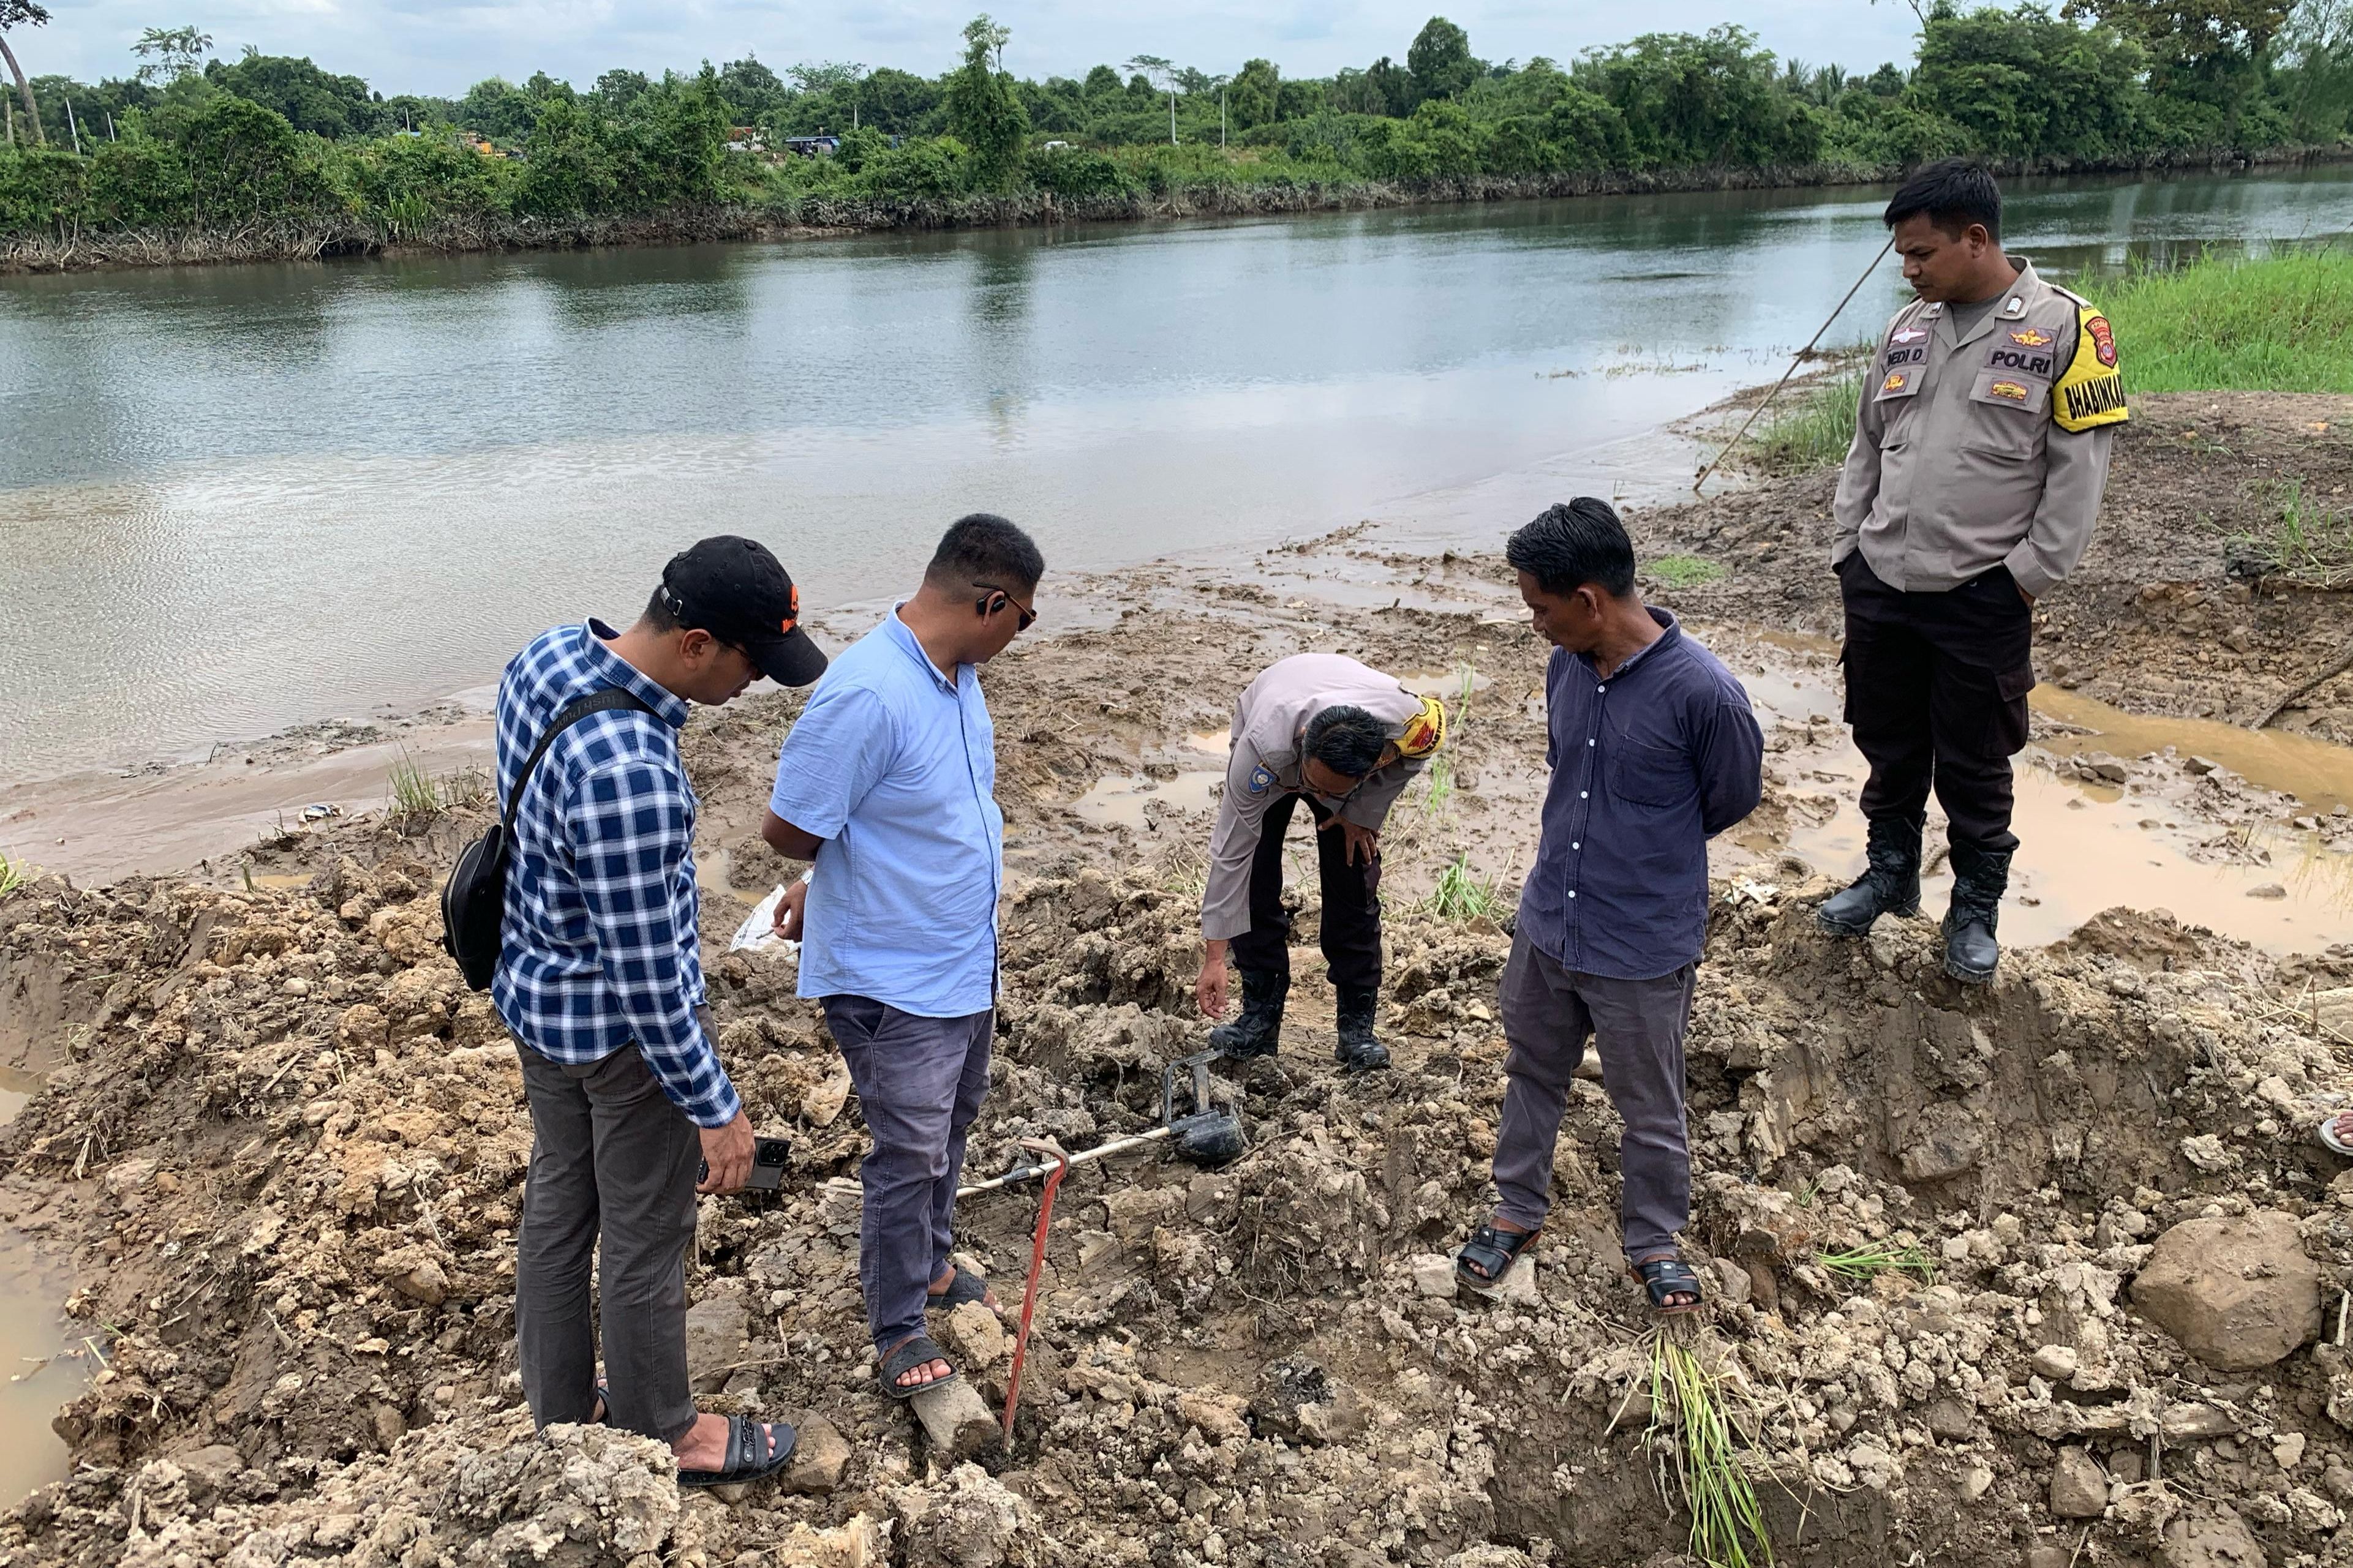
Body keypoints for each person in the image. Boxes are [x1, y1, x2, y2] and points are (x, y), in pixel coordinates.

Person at [497, 535, 827, 1488]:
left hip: (535, 999)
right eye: (749, 663)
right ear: (694, 644)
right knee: (645, 1234)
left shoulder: (549, 655)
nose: (754, 684)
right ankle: (664, 1433)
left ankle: (562, 1410)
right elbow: (648, 980)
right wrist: (714, 1107)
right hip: (616, 1040)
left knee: (560, 1206)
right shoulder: (634, 773)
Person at [1818, 159, 2128, 982]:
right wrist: (1848, 548)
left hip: (1981, 592)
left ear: (1975, 238)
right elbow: (1863, 446)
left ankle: (1973, 909)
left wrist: (2024, 577)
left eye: (1920, 253)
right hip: (1882, 581)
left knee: (1974, 757)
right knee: (1887, 741)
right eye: (1902, 256)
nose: (1908, 269)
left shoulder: (2066, 329)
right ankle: (1888, 877)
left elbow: (2076, 478)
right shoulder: (1905, 329)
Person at [1455, 500, 1763, 1315]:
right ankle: (1516, 1210)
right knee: (1531, 1072)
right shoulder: (1564, 666)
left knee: (1648, 1105)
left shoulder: (1706, 696)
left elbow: (1728, 800)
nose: (1534, 625)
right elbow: (1566, 771)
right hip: (1549, 923)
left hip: (1640, 943)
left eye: (1540, 608)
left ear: (1589, 600)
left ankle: (1653, 1238)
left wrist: (1641, 854)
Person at [761, 514, 1042, 1400]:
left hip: (960, 957)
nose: (1021, 637)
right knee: (907, 1152)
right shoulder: (868, 692)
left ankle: (928, 1266)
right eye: (1023, 619)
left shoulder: (955, 679)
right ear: (991, 603)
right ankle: (896, 1324)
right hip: (895, 977)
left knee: (949, 1128)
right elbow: (789, 825)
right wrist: (822, 872)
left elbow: (916, 808)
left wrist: (831, 875)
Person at [1193, 655, 1448, 1073]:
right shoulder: (1262, 751)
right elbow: (1230, 853)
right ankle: (1260, 1018)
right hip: (1277, 755)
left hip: (1348, 777)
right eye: (1313, 785)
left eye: (1328, 790)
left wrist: (1361, 811)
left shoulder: (1410, 724)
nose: (1314, 793)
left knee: (1354, 873)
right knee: (1255, 875)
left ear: (1378, 761)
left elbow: (1427, 747)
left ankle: (1357, 1029)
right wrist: (1215, 958)